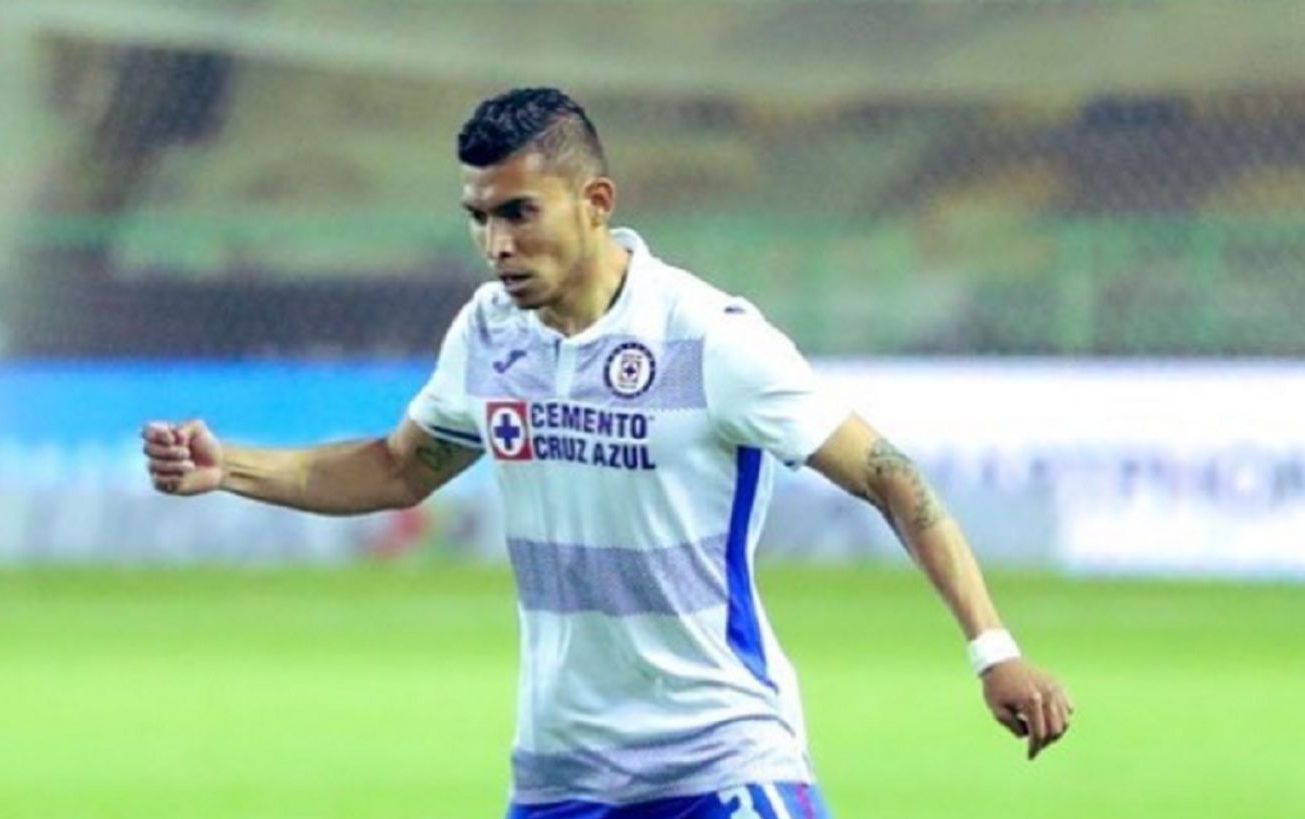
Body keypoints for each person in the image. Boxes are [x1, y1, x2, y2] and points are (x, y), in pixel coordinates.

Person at [142, 87, 1073, 819]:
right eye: (479, 217)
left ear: (595, 203)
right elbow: (396, 467)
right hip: (562, 771)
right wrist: (232, 468)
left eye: (518, 213)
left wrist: (994, 651)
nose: (495, 244)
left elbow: (891, 477)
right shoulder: (489, 334)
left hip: (718, 757)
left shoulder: (709, 340)